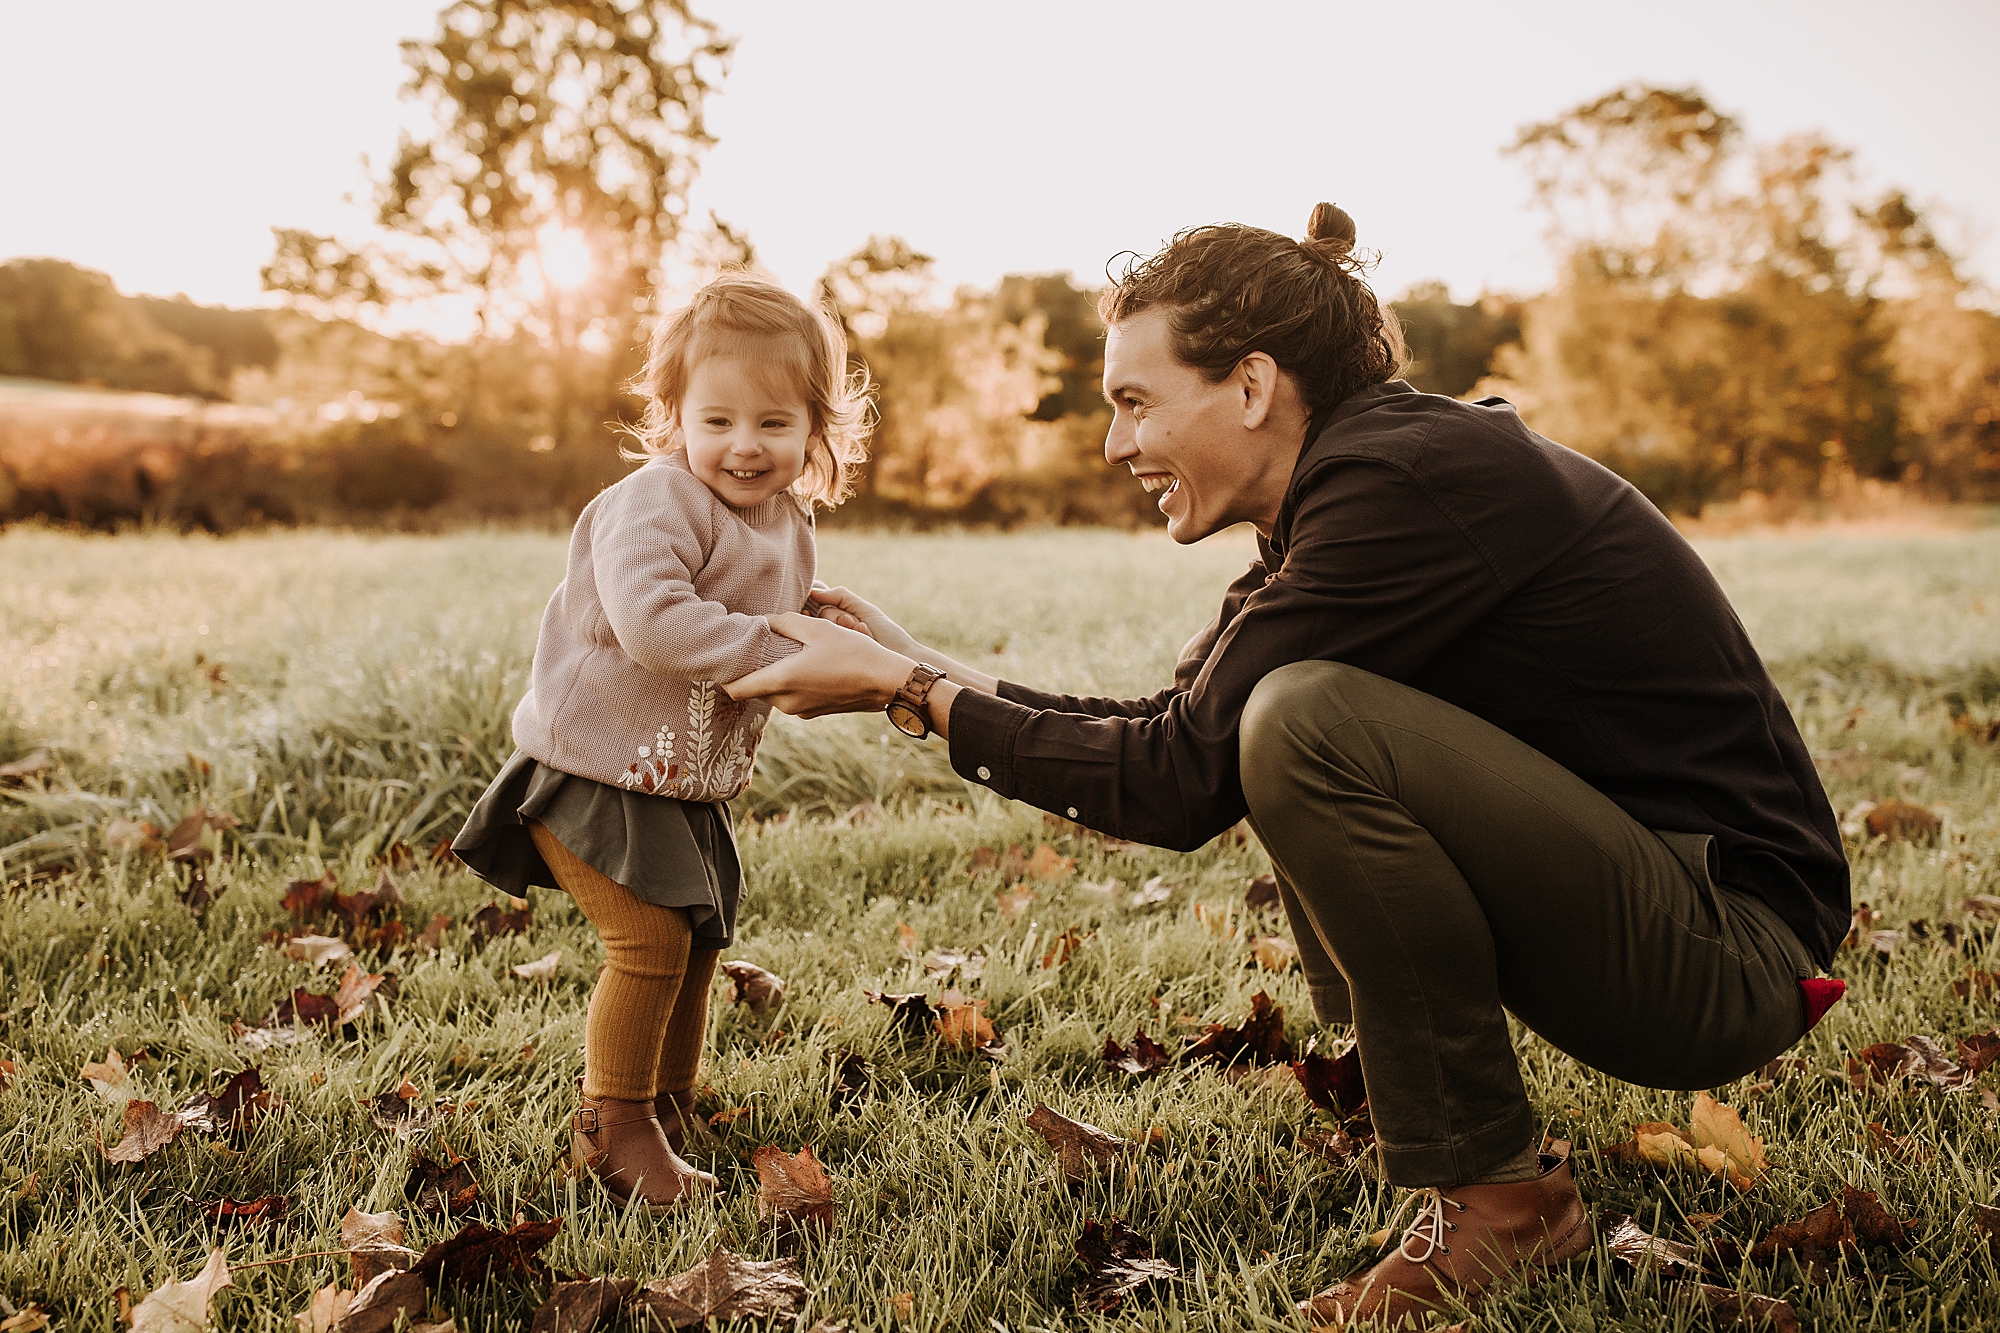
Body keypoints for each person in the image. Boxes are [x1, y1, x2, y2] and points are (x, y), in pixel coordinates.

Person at [727, 204, 1851, 1324]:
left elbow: (1176, 779)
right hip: (1658, 905)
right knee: (1264, 706)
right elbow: (1174, 731)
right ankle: (1404, 1090)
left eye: (1134, 401)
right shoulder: (1351, 488)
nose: (1115, 443)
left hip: (1723, 949)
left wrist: (907, 697)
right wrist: (913, 666)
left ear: (1252, 387)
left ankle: (1501, 1197)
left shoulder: (1404, 483)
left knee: (1300, 719)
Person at [453, 273, 872, 1211]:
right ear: (674, 414)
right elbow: (656, 623)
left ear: (816, 428)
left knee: (698, 936)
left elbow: (757, 600)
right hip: (595, 772)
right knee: (646, 939)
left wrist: (822, 621)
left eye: (773, 423)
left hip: (679, 783)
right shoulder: (654, 502)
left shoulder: (783, 518)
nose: (743, 445)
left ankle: (671, 1101)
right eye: (715, 420)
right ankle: (615, 1126)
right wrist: (779, 645)